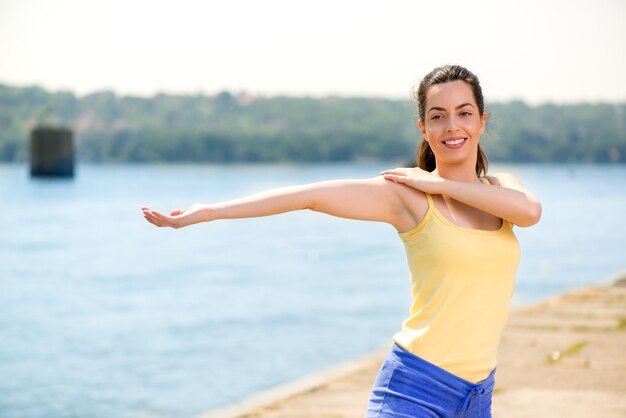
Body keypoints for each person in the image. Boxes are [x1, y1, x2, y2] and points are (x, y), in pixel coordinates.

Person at [142, 64, 541, 418]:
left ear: (482, 120)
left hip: (477, 396)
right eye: (438, 116)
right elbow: (311, 195)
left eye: (464, 113)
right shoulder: (406, 195)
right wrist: (210, 211)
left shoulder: (503, 189)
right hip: (415, 390)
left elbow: (531, 213)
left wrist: (435, 182)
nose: (452, 126)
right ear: (423, 127)